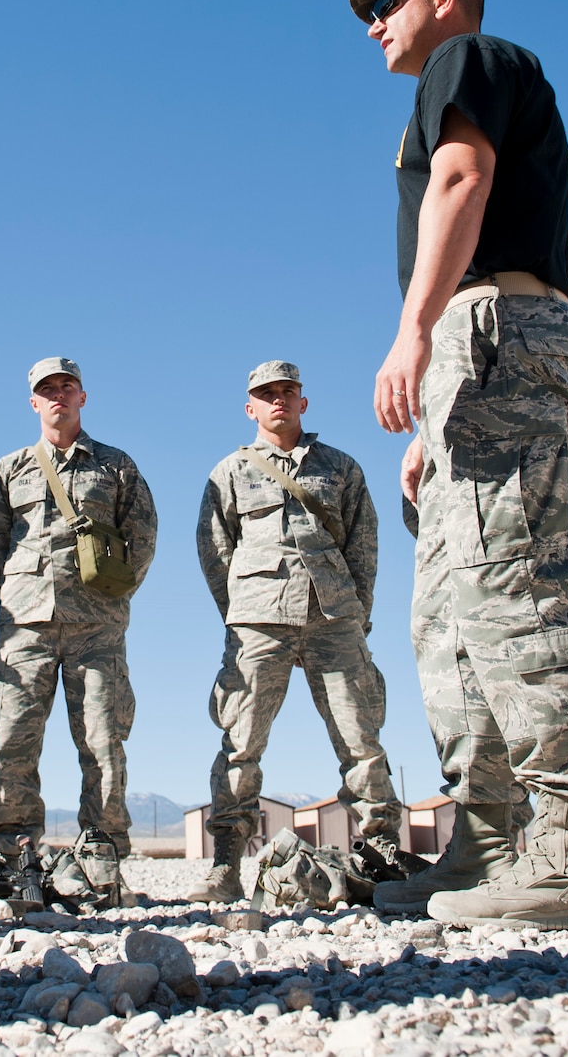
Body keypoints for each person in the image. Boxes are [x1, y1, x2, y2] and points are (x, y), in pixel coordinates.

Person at [353, 0, 568, 927]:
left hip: (494, 330)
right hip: (472, 357)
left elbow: (460, 180)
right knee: (445, 615)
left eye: (383, 1)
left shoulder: (465, 59)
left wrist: (415, 332)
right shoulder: (439, 75)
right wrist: (432, 406)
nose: (371, 21)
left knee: (508, 583)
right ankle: (485, 839)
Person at [187, 361, 399, 904]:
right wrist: (239, 612)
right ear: (250, 408)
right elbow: (215, 551)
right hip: (259, 621)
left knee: (362, 740)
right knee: (240, 742)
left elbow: (364, 545)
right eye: (266, 394)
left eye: (288, 392)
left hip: (334, 619)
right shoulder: (229, 472)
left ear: (303, 402)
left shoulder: (340, 467)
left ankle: (382, 853)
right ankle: (227, 859)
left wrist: (357, 612)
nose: (277, 400)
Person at [0, 358, 157, 854]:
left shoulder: (115, 465)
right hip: (25, 627)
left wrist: (113, 596)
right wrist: (17, 590)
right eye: (47, 389)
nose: (58, 395)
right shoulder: (9, 469)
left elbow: (142, 535)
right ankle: (15, 855)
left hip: (97, 627)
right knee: (13, 739)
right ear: (33, 402)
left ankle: (104, 854)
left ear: (82, 397)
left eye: (67, 387)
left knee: (103, 742)